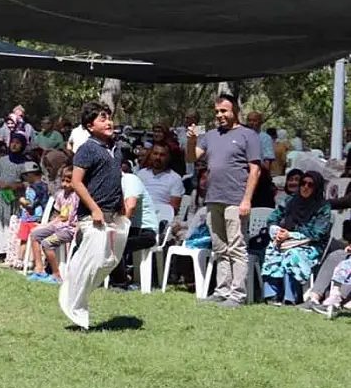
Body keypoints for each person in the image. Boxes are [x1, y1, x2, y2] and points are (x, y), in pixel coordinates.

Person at [187, 94, 261, 308]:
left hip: (235, 198)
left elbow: (255, 170)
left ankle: (237, 295)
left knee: (236, 246)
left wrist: (246, 199)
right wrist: (191, 140)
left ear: (235, 111)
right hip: (213, 198)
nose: (219, 115)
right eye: (217, 111)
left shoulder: (249, 135)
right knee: (219, 247)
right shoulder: (209, 135)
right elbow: (191, 158)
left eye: (224, 111)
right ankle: (222, 290)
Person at [60, 101, 128, 329]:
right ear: (90, 126)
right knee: (92, 262)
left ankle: (76, 293)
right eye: (102, 119)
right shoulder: (87, 149)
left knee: (107, 261)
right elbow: (77, 182)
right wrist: (94, 209)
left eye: (109, 117)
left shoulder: (115, 148)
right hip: (93, 216)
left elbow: (115, 178)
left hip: (113, 214)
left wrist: (120, 204)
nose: (109, 122)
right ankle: (76, 309)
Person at [261, 171, 331, 305]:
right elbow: (273, 218)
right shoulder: (290, 200)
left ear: (316, 188)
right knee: (273, 249)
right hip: (285, 240)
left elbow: (318, 233)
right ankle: (272, 295)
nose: (305, 187)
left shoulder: (323, 206)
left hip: (311, 245)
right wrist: (277, 231)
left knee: (292, 254)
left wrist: (292, 235)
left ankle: (290, 296)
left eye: (310, 185)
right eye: (303, 183)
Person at [109, 162, 160, 290]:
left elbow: (131, 206)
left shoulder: (130, 180)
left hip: (145, 232)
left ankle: (120, 283)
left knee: (116, 244)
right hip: (131, 229)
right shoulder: (111, 184)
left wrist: (119, 229)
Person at [28, 165, 79, 284]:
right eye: (63, 180)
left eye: (68, 181)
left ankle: (57, 274)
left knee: (47, 243)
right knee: (35, 234)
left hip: (70, 229)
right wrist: (46, 225)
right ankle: (39, 269)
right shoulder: (61, 195)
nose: (65, 184)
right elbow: (58, 215)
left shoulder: (78, 196)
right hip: (58, 226)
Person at [0, 132, 28, 264]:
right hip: (1, 196)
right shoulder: (2, 160)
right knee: (0, 221)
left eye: (18, 143)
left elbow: (30, 181)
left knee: (13, 223)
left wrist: (16, 185)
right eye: (13, 142)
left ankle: (11, 252)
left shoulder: (25, 163)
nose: (14, 145)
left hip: (16, 198)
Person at [7, 161, 48, 269]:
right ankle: (22, 260)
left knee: (31, 240)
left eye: (24, 176)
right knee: (24, 239)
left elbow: (30, 204)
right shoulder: (42, 186)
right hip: (27, 217)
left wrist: (21, 200)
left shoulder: (36, 188)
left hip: (34, 218)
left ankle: (29, 261)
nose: (24, 178)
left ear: (30, 174)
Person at [136, 143, 184, 213]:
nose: (158, 157)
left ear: (168, 157)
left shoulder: (175, 178)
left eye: (162, 155)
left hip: (161, 215)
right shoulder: (141, 174)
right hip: (139, 212)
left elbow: (174, 207)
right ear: (150, 155)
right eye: (155, 154)